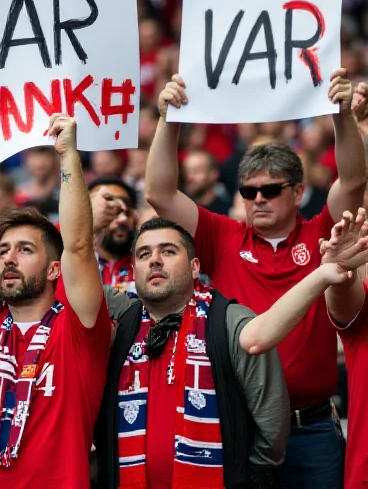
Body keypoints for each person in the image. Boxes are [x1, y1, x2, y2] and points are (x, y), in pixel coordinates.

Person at [144, 71, 365, 488]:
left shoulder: (322, 234)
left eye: (270, 190)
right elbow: (160, 192)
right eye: (248, 192)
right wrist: (168, 119)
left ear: (298, 191)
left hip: (311, 428)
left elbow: (352, 180)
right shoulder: (221, 237)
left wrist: (340, 115)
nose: (257, 199)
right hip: (238, 421)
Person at [0, 102, 110, 488]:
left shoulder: (79, 331)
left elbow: (79, 247)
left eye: (25, 250)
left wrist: (68, 156)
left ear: (53, 269)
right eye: (3, 250)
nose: (9, 258)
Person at [95, 218, 289, 488]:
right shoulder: (122, 318)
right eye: (144, 254)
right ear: (134, 271)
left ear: (195, 267)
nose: (154, 260)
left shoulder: (230, 321)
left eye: (168, 251)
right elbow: (70, 278)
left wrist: (246, 479)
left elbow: (271, 423)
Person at [235, 207, 368, 489]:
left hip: (315, 431)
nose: (259, 199)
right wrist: (334, 271)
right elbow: (254, 340)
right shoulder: (361, 306)